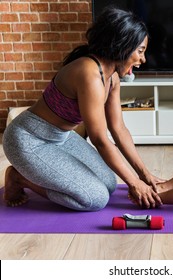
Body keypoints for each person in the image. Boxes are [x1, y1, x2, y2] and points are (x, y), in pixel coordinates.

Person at [2, 7, 164, 211]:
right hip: (28, 140)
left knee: (109, 184)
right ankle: (20, 179)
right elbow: (100, 139)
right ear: (122, 44)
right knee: (94, 199)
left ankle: (29, 176)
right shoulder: (89, 73)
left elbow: (119, 129)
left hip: (62, 137)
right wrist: (133, 183)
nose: (143, 59)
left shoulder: (112, 77)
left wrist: (143, 174)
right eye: (140, 51)